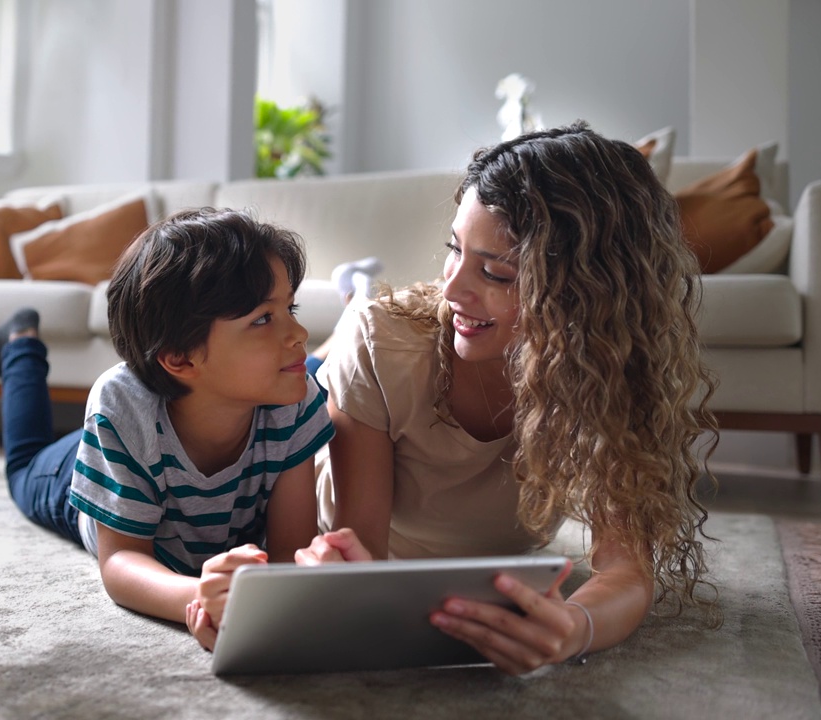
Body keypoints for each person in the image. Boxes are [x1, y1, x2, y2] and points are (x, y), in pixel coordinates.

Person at [297, 121, 720, 675]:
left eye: (495, 272)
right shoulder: (383, 343)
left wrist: (575, 627)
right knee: (324, 356)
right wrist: (342, 575)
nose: (452, 287)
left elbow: (626, 572)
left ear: (583, 296)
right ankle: (354, 292)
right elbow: (365, 550)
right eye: (454, 249)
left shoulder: (603, 374)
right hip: (344, 386)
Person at [0, 208, 333, 650]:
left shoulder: (293, 397)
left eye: (290, 308)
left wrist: (264, 601)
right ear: (181, 358)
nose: (299, 332)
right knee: (23, 468)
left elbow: (290, 548)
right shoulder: (120, 406)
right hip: (92, 473)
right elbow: (122, 561)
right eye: (263, 319)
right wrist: (198, 600)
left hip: (152, 444)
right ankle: (20, 345)